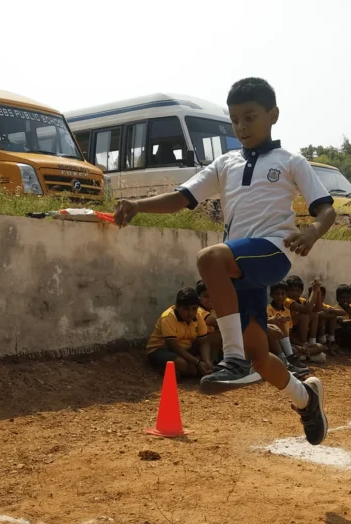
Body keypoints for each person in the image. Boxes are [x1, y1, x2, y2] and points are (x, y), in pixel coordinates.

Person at [113, 78, 334, 445]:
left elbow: (326, 209)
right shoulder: (225, 163)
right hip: (237, 266)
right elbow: (183, 197)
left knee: (210, 257)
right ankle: (305, 398)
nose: (242, 127)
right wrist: (138, 205)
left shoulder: (291, 162)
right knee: (261, 357)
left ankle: (232, 359)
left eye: (250, 117)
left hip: (273, 252)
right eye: (235, 120)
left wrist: (311, 232)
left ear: (273, 115)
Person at [145, 288, 214, 378]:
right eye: (186, 309)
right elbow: (173, 345)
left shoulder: (198, 316)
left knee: (208, 360)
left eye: (194, 309)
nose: (190, 313)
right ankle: (164, 368)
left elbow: (203, 342)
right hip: (161, 349)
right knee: (186, 366)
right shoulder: (168, 317)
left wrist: (206, 361)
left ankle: (182, 371)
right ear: (177, 306)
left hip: (185, 348)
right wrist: (197, 362)